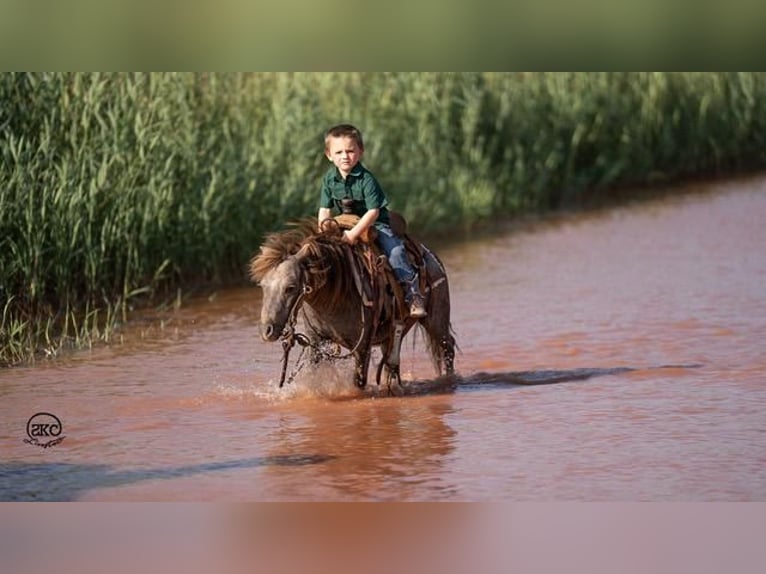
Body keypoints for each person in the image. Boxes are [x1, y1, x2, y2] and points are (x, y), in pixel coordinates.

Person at [317, 123, 427, 319]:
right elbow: (324, 209)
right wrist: (322, 231)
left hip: (375, 224)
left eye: (350, 151)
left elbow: (373, 212)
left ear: (360, 152)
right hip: (344, 221)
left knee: (395, 250)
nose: (345, 156)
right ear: (329, 155)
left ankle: (412, 293)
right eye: (339, 152)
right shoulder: (328, 179)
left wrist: (352, 235)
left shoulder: (367, 179)